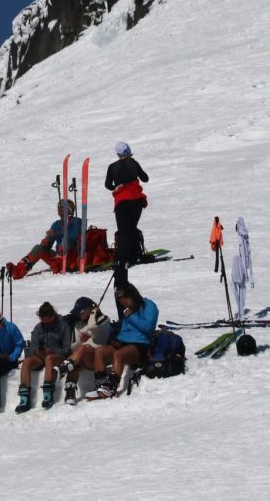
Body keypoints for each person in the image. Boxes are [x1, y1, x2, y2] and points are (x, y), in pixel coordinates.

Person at [86, 283, 158, 399]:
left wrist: (132, 316)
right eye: (120, 300)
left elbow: (149, 328)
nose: (123, 302)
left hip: (141, 345)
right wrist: (116, 339)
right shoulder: (127, 311)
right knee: (100, 352)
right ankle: (100, 385)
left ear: (133, 295)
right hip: (124, 343)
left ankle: (111, 387)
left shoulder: (148, 305)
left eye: (125, 298)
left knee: (118, 354)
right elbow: (123, 331)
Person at [16, 302, 71, 413]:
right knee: (27, 361)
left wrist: (52, 351)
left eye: (48, 321)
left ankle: (48, 392)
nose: (45, 324)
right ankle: (24, 397)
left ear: (52, 317)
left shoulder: (63, 326)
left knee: (49, 358)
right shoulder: (38, 328)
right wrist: (37, 351)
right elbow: (31, 348)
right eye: (42, 321)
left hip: (57, 356)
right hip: (41, 356)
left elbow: (67, 349)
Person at [6, 199, 83, 280]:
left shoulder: (78, 222)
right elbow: (48, 245)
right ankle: (19, 270)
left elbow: (73, 238)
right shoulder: (56, 224)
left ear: (69, 209)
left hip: (73, 258)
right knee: (38, 248)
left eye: (62, 207)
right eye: (59, 207)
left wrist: (57, 234)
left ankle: (58, 264)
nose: (59, 209)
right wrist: (46, 241)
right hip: (58, 257)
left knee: (64, 243)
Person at [56, 297, 111, 405]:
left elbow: (93, 326)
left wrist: (94, 312)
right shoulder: (78, 324)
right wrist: (79, 337)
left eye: (80, 312)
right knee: (77, 359)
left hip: (99, 357)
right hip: (85, 356)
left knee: (84, 348)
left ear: (89, 310)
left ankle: (65, 366)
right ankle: (70, 394)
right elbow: (73, 346)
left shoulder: (103, 319)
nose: (78, 315)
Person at [104, 141, 149, 270]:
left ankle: (124, 259)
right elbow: (145, 178)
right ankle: (135, 255)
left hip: (122, 201)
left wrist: (116, 186)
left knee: (123, 231)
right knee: (131, 227)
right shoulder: (133, 163)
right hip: (136, 200)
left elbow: (108, 185)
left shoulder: (112, 167)